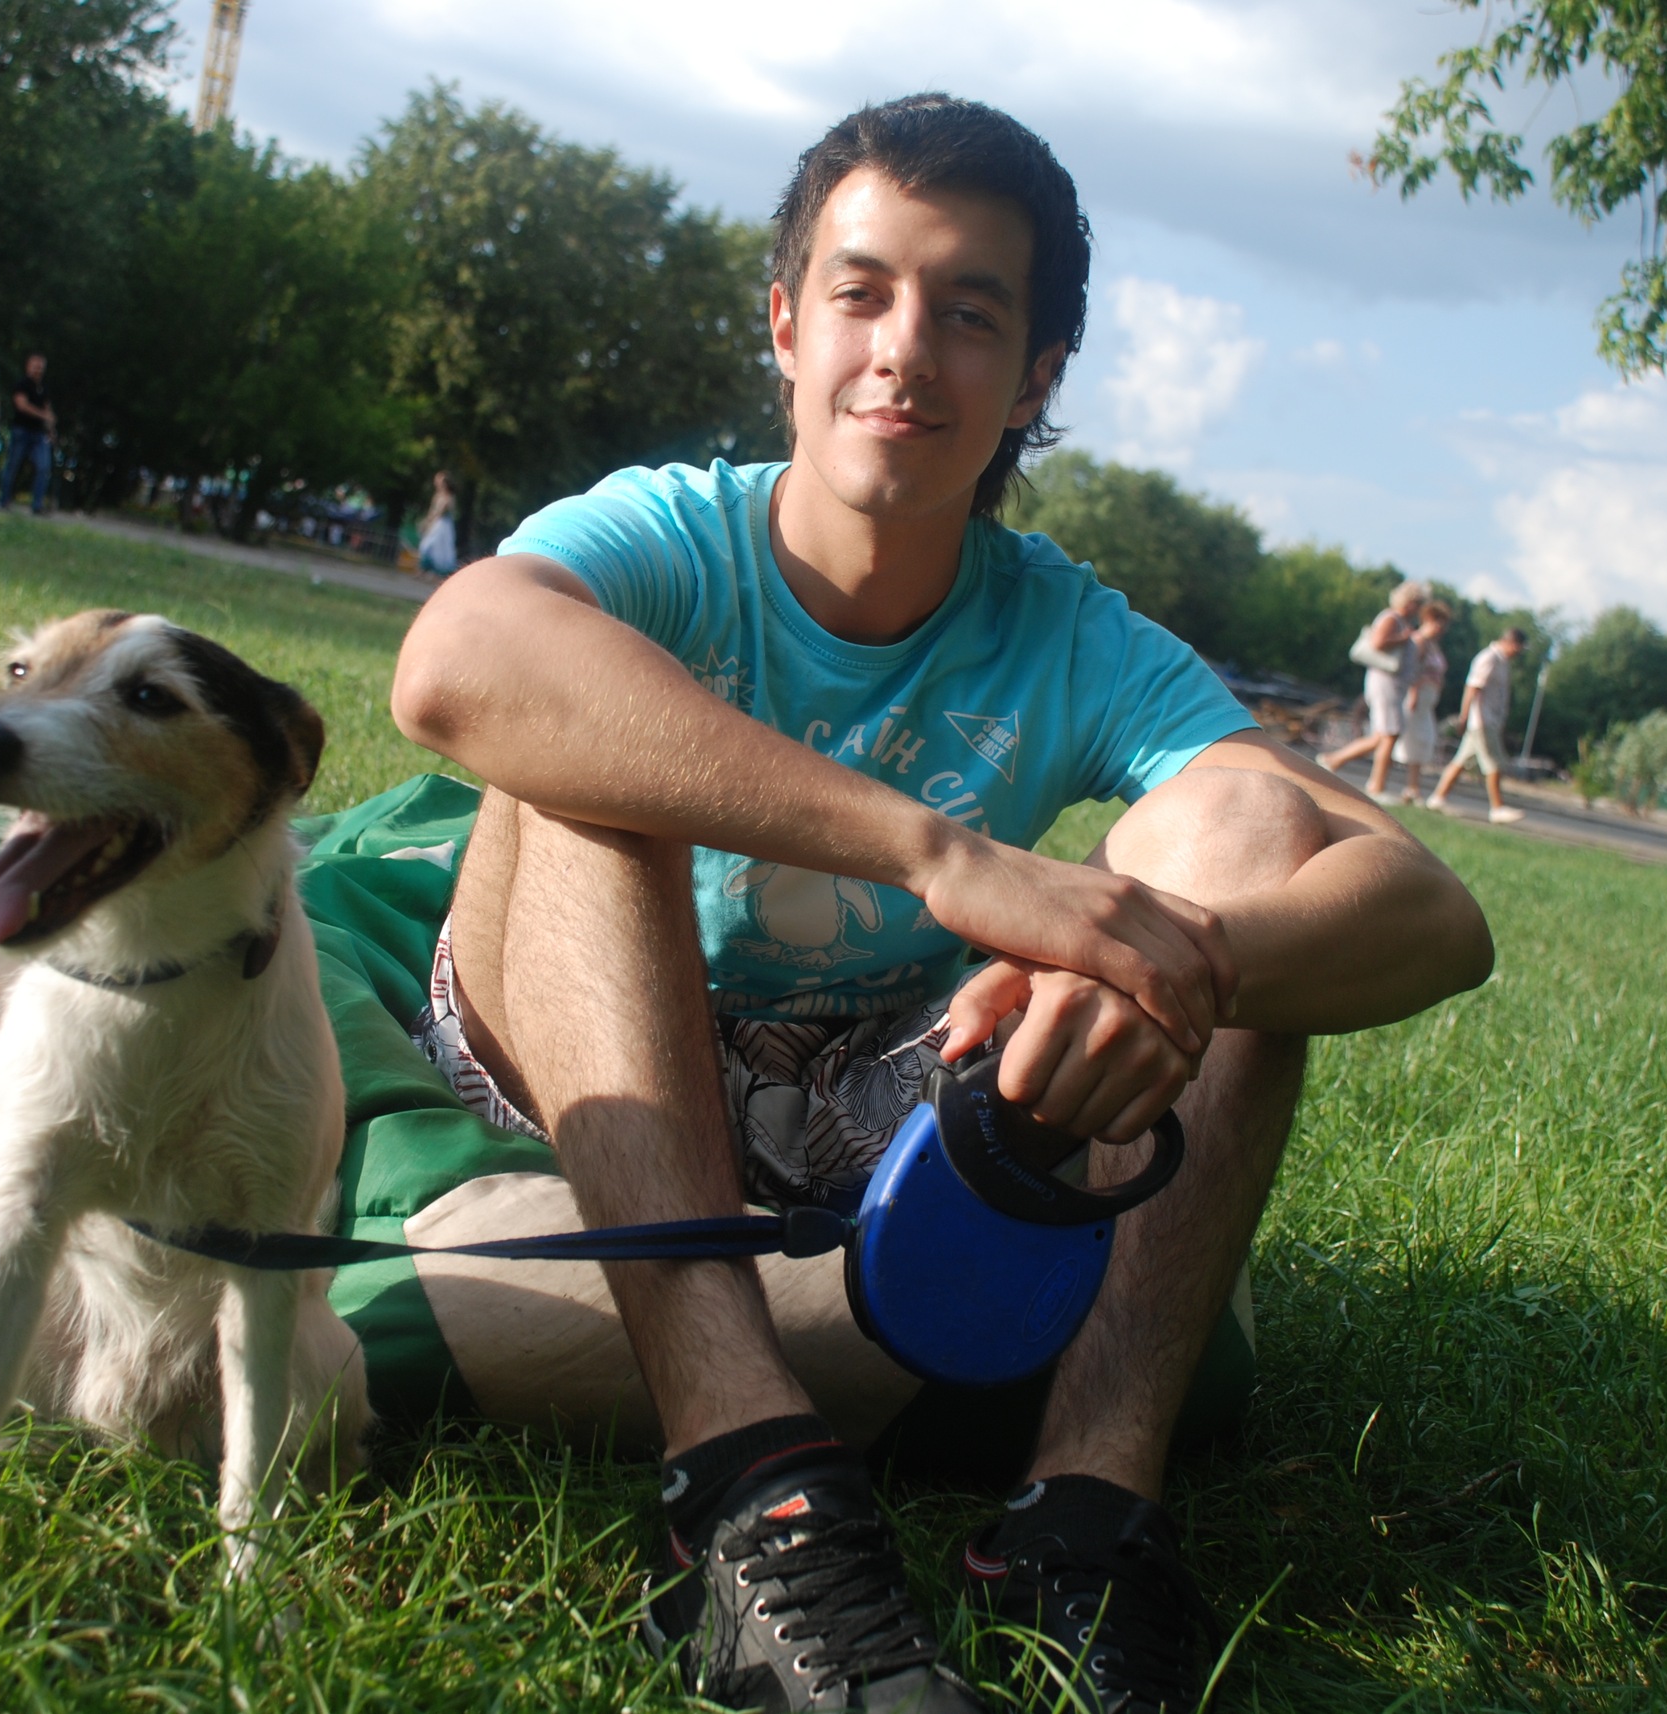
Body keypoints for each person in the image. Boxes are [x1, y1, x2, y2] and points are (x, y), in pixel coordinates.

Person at [389, 94, 1491, 1714]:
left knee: (1253, 828)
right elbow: (456, 659)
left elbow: (1433, 912)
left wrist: (1177, 959)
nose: (905, 349)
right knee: (580, 754)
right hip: (586, 1043)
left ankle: (1084, 1513)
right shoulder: (674, 533)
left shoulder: (1067, 629)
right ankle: (746, 1489)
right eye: (863, 292)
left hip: (880, 1088)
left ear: (1035, 378)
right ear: (787, 324)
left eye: (971, 313)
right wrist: (948, 857)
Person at [1313, 580, 1429, 802]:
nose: (1419, 609)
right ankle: (1376, 786)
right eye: (1418, 603)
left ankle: (1333, 760)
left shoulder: (1400, 621)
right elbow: (1378, 643)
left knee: (1380, 735)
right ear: (1409, 601)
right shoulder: (1391, 618)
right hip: (1385, 683)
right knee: (1389, 735)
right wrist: (1404, 638)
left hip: (1392, 685)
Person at [1425, 627, 1528, 824]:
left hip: (1489, 721)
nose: (1519, 653)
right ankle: (1497, 808)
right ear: (1511, 643)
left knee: (1461, 761)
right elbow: (1473, 687)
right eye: (1519, 648)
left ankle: (1437, 797)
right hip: (1482, 719)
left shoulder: (1502, 662)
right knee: (1494, 763)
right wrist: (1464, 716)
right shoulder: (1489, 658)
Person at [1395, 599, 1452, 803]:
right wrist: (1413, 694)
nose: (1441, 628)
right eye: (1439, 622)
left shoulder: (1433, 645)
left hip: (1427, 701)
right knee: (1412, 742)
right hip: (1417, 698)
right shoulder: (1419, 641)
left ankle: (1412, 788)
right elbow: (1413, 671)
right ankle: (1408, 787)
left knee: (1422, 742)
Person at [0, 352, 55, 515]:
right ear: (28, 366)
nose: (38, 370)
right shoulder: (22, 384)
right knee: (13, 466)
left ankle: (37, 505)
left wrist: (51, 428)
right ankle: (4, 500)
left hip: (39, 434)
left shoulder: (43, 388)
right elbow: (22, 405)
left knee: (43, 467)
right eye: (35, 366)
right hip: (21, 431)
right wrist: (43, 415)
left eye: (41, 367)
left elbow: (48, 410)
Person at [416, 470, 458, 574]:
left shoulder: (449, 497)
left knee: (440, 548)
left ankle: (437, 572)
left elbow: (442, 511)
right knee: (426, 545)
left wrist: (431, 520)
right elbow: (432, 511)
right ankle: (424, 569)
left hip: (443, 525)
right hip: (436, 523)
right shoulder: (437, 496)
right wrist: (427, 521)